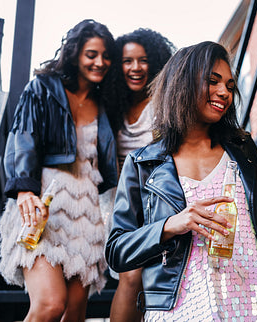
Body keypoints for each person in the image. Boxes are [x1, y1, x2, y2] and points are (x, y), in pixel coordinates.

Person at [106, 41, 257, 321]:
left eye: (230, 86)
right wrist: (170, 225)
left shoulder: (243, 151)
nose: (224, 92)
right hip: (179, 310)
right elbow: (117, 250)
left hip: (247, 306)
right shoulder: (144, 164)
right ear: (183, 84)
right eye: (213, 81)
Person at [0, 19, 117, 321]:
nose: (99, 62)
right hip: (43, 202)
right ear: (76, 53)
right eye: (92, 54)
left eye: (105, 56)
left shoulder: (105, 103)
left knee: (75, 313)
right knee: (51, 304)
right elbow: (22, 138)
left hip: (86, 209)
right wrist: (24, 190)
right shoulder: (43, 88)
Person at [106, 28, 175, 322]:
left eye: (143, 60)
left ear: (156, 62)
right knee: (130, 275)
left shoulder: (165, 102)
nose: (135, 68)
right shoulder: (112, 104)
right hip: (123, 201)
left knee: (150, 277)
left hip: (159, 198)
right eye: (127, 61)